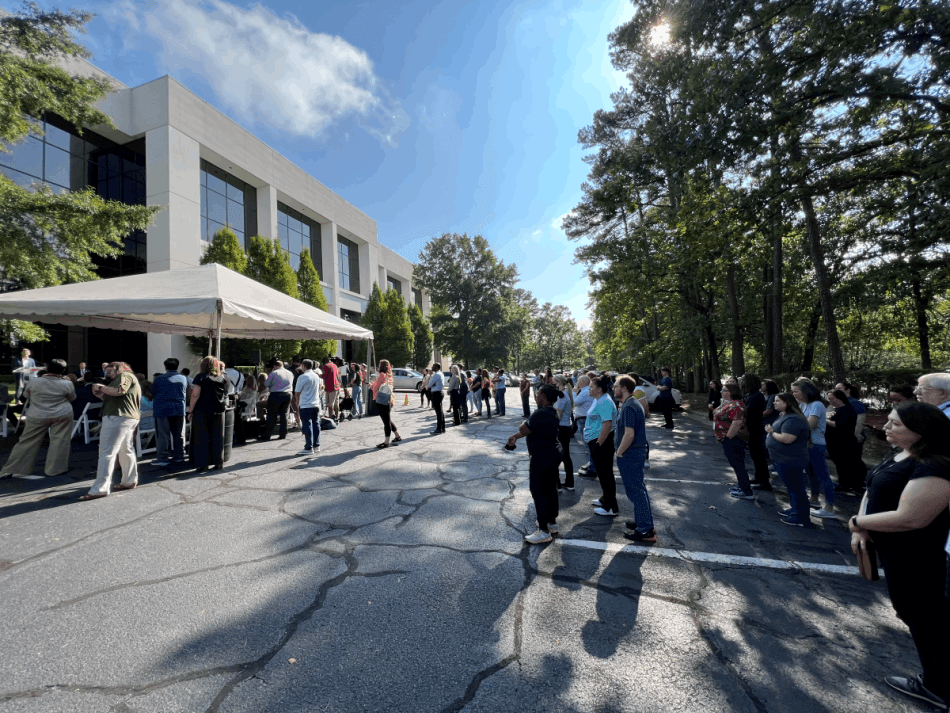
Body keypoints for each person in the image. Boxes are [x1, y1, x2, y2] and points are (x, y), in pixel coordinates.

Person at [849, 402, 950, 710]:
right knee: (913, 614)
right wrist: (862, 527)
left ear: (920, 432)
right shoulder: (900, 453)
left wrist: (857, 523)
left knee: (927, 618)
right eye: (888, 421)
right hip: (894, 553)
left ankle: (939, 687)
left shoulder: (936, 465)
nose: (886, 427)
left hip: (918, 558)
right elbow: (873, 486)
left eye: (895, 424)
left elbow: (911, 518)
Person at [507, 384, 563, 544]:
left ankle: (544, 531)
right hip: (552, 453)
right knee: (550, 488)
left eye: (537, 393)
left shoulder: (541, 412)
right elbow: (532, 430)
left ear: (543, 397)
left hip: (542, 456)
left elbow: (525, 428)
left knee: (538, 490)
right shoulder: (552, 411)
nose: (535, 395)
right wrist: (516, 437)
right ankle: (551, 523)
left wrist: (519, 432)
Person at [0, 358, 75, 479]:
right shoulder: (67, 383)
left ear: (46, 368)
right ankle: (55, 470)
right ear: (63, 370)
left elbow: (26, 396)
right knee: (60, 441)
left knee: (27, 441)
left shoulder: (34, 382)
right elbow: (71, 398)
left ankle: (13, 468)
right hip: (62, 414)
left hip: (37, 414)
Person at [82, 362, 141, 500]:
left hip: (117, 417)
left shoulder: (124, 375)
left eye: (110, 370)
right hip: (127, 417)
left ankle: (100, 488)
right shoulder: (128, 377)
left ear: (119, 368)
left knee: (106, 452)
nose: (107, 373)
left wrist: (102, 387)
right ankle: (129, 480)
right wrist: (101, 393)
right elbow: (116, 396)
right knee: (126, 449)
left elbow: (121, 390)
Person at [614, 375, 655, 541]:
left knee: (636, 491)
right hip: (633, 453)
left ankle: (645, 529)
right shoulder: (630, 403)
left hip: (631, 454)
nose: (613, 388)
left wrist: (619, 452)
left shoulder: (630, 406)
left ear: (624, 388)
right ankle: (642, 521)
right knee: (637, 490)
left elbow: (629, 434)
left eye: (616, 386)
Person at [765, 393, 813, 527]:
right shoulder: (785, 416)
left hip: (791, 460)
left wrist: (771, 431)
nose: (774, 403)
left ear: (787, 403)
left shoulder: (794, 419)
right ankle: (795, 510)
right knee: (792, 488)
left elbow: (787, 439)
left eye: (777, 401)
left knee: (796, 488)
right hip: (783, 459)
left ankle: (801, 517)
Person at [792, 377, 836, 518]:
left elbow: (809, 425)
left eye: (796, 392)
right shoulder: (804, 404)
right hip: (806, 444)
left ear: (806, 391)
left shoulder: (817, 405)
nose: (794, 395)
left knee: (823, 475)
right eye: (793, 392)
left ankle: (829, 508)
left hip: (816, 444)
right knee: (811, 473)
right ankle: (814, 499)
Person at [586, 374, 619, 517]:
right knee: (602, 473)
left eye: (591, 387)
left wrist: (599, 442)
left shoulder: (605, 401)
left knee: (606, 474)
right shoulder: (599, 399)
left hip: (602, 442)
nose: (589, 389)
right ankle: (605, 499)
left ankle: (610, 507)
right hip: (597, 441)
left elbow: (607, 424)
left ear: (599, 389)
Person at [188, 356, 228, 472]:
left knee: (201, 437)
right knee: (217, 437)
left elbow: (195, 395)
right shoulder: (222, 378)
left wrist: (190, 411)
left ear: (203, 365)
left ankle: (202, 464)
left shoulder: (200, 377)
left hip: (202, 410)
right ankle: (218, 462)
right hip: (218, 410)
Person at [713, 382, 753, 499]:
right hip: (728, 438)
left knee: (738, 464)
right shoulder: (729, 403)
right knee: (736, 465)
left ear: (731, 392)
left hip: (734, 439)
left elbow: (737, 422)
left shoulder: (736, 405)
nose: (721, 392)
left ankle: (746, 491)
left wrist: (728, 436)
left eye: (724, 390)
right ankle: (741, 486)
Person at [826, 388, 865, 493]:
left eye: (832, 399)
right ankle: (844, 484)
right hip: (835, 443)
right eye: (828, 399)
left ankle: (853, 485)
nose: (830, 401)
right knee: (840, 464)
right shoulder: (836, 409)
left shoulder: (847, 409)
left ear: (840, 398)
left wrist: (826, 421)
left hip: (844, 443)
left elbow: (843, 425)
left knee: (847, 464)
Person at [741, 374, 771, 489]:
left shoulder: (757, 396)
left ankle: (764, 481)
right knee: (754, 454)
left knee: (758, 454)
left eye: (744, 381)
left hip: (755, 428)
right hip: (750, 428)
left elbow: (748, 411)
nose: (742, 382)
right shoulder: (748, 394)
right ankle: (758, 476)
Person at [293, 359, 322, 456]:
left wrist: (297, 402)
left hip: (305, 404)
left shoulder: (303, 377)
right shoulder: (316, 376)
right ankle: (316, 445)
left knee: (307, 425)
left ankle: (308, 447)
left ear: (304, 366)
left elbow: (297, 392)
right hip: (315, 403)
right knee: (316, 424)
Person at [259, 360, 294, 441]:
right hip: (288, 394)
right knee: (284, 414)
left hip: (276, 394)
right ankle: (283, 434)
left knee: (271, 415)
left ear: (274, 366)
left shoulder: (274, 373)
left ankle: (267, 435)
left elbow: (266, 384)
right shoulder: (290, 373)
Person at [372, 359, 402, 447]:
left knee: (386, 421)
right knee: (388, 419)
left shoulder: (382, 375)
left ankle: (386, 442)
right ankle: (397, 435)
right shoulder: (389, 376)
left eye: (379, 364)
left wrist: (370, 384)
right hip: (389, 399)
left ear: (381, 366)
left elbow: (375, 388)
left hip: (382, 400)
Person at [552, 375, 575, 492]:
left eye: (554, 381)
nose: (553, 383)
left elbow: (558, 414)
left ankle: (557, 485)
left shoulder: (562, 396)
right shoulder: (566, 393)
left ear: (559, 382)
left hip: (561, 428)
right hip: (565, 427)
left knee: (556, 456)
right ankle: (570, 483)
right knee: (566, 456)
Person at [574, 376, 596, 477]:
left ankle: (593, 467)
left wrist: (574, 392)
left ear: (582, 382)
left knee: (589, 445)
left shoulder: (584, 391)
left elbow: (574, 402)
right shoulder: (585, 391)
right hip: (583, 419)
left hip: (583, 419)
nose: (576, 383)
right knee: (588, 445)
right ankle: (591, 464)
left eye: (578, 381)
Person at [426, 363, 446, 434]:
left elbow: (430, 384)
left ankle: (439, 429)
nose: (432, 367)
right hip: (439, 392)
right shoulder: (441, 373)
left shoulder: (436, 374)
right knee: (440, 411)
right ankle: (442, 427)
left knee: (438, 412)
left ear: (436, 367)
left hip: (436, 393)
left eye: (433, 366)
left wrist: (428, 386)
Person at [321, 357, 342, 421]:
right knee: (336, 403)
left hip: (330, 387)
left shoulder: (326, 366)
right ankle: (337, 416)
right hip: (337, 386)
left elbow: (325, 375)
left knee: (330, 404)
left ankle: (331, 417)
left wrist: (318, 375)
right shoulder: (335, 366)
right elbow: (338, 376)